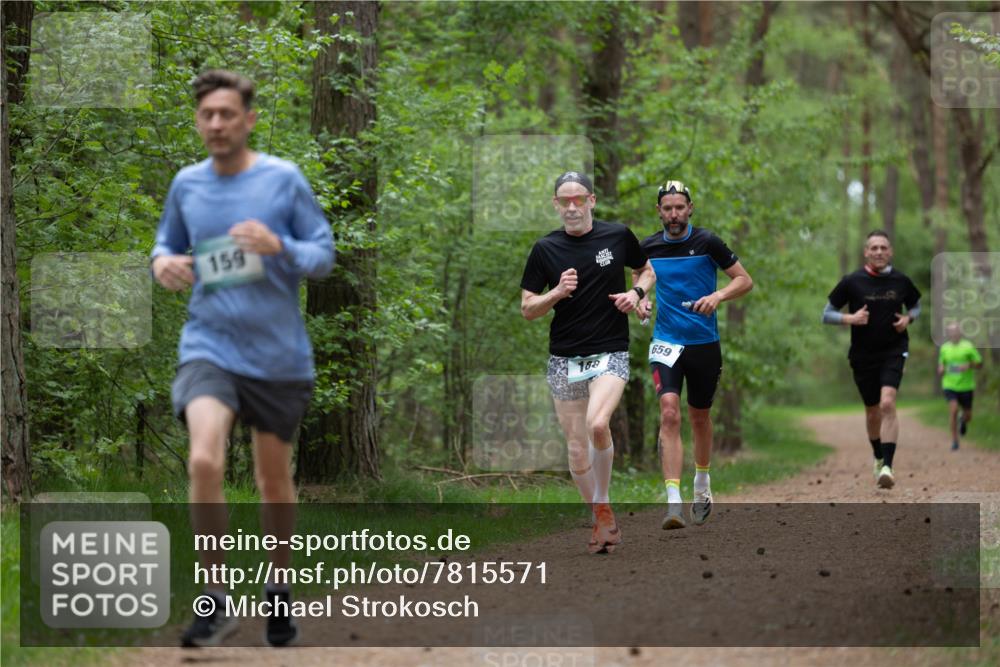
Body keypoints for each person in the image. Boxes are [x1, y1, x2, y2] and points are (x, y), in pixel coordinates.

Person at [151, 70, 334, 647]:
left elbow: (323, 255)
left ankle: (278, 589)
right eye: (207, 115)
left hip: (278, 357)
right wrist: (163, 264)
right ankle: (215, 599)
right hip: (209, 346)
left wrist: (279, 245)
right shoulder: (187, 184)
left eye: (227, 114)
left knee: (272, 480)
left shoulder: (283, 180)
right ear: (197, 120)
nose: (216, 124)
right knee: (204, 461)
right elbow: (164, 244)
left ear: (248, 120)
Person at [520, 171, 654, 554]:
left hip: (610, 350)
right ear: (556, 205)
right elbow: (528, 308)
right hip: (564, 357)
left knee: (598, 423)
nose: (572, 207)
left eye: (579, 199)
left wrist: (637, 293)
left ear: (592, 201)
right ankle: (599, 517)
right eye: (565, 201)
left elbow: (646, 269)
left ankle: (604, 504)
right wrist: (556, 293)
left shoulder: (617, 236)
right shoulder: (545, 249)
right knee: (577, 448)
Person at [635, 181, 753, 530]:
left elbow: (744, 280)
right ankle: (673, 501)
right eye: (667, 208)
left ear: (690, 209)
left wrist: (718, 296)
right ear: (659, 211)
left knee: (699, 417)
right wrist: (642, 300)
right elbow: (640, 276)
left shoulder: (708, 242)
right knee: (669, 413)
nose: (673, 214)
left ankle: (701, 483)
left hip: (704, 343)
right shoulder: (647, 247)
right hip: (666, 341)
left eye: (679, 208)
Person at [822, 230, 921, 489]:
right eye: (874, 248)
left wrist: (909, 318)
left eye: (883, 248)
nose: (879, 252)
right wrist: (850, 318)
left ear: (890, 252)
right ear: (866, 252)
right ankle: (878, 456)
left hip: (894, 349)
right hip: (862, 355)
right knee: (872, 411)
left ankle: (887, 466)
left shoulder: (901, 281)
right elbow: (826, 314)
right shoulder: (852, 281)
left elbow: (916, 306)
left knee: (887, 402)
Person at [938, 322, 983, 450]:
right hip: (949, 384)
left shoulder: (968, 346)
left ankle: (963, 420)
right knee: (953, 410)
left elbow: (979, 364)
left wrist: (969, 365)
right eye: (951, 331)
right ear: (948, 334)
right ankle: (955, 441)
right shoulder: (944, 348)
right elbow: (941, 364)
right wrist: (941, 369)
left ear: (960, 333)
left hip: (966, 386)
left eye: (955, 331)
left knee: (968, 415)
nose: (953, 334)